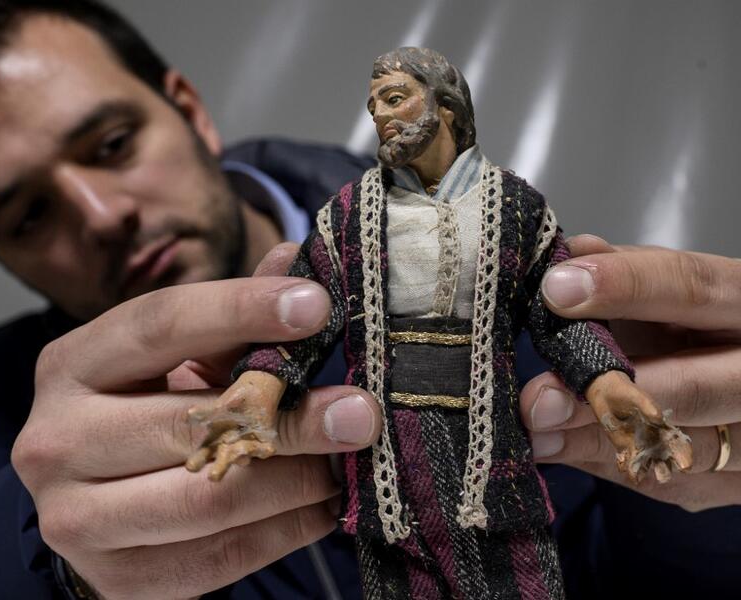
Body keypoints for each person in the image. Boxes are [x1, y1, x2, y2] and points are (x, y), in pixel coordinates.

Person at [0, 1, 738, 599]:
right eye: (28, 214)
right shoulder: (3, 401)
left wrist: (637, 400)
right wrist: (54, 554)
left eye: (112, 145)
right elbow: (295, 337)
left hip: (495, 489)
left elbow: (566, 336)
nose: (100, 214)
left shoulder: (513, 216)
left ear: (188, 111)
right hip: (387, 507)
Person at [194, 47, 688, 600]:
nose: (381, 115)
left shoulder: (515, 207)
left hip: (491, 453)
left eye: (396, 98)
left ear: (446, 107)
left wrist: (609, 383)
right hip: (388, 465)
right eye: (374, 104)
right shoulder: (349, 215)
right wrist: (260, 385)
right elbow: (311, 315)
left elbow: (558, 314)